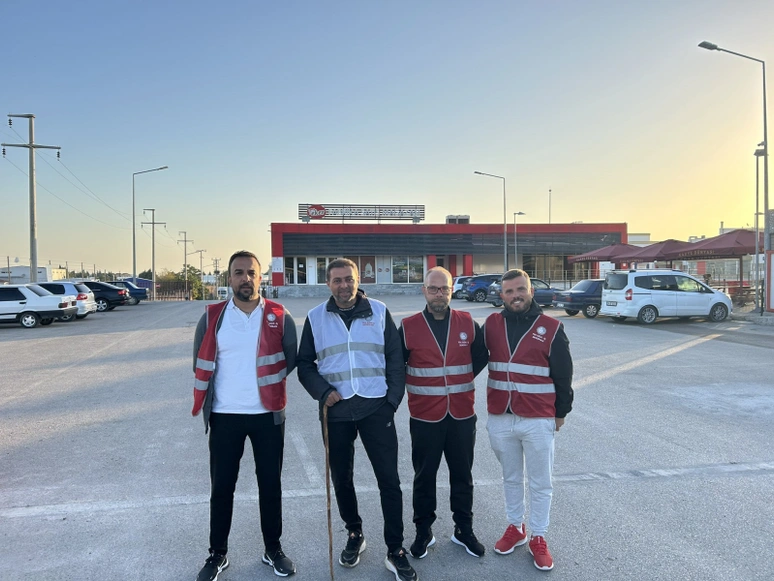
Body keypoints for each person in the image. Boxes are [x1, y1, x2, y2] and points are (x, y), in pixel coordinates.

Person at [297, 258, 418, 581]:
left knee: (389, 481)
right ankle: (354, 533)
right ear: (328, 283)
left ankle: (395, 549)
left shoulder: (379, 311)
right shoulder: (315, 317)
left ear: (358, 279)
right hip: (336, 412)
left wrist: (392, 401)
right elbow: (304, 364)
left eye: (349, 279)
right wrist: (323, 392)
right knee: (342, 479)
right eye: (337, 280)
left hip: (376, 407)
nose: (344, 286)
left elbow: (395, 358)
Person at [192, 251, 298, 580]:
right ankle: (217, 554)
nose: (246, 278)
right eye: (239, 273)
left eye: (251, 272)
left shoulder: (279, 315)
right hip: (224, 416)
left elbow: (290, 357)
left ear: (260, 277)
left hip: (268, 415)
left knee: (271, 486)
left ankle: (273, 549)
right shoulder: (212, 317)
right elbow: (199, 360)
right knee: (222, 488)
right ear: (229, 278)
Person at [483, 269, 573, 572]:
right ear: (502, 295)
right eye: (509, 291)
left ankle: (538, 535)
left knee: (540, 481)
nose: (515, 296)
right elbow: (470, 359)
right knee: (510, 477)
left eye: (520, 289)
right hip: (501, 416)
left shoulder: (552, 327)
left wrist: (560, 413)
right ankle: (515, 527)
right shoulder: (491, 324)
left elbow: (564, 374)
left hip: (538, 417)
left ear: (531, 291)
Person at [399, 267, 489, 560]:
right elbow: (397, 367)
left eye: (444, 289)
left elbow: (479, 358)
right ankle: (423, 531)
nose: (439, 294)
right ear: (424, 291)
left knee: (462, 475)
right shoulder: (408, 327)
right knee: (424, 477)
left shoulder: (468, 323)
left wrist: (456, 382)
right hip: (424, 416)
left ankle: (464, 529)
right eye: (433, 288)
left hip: (462, 415)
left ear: (452, 290)